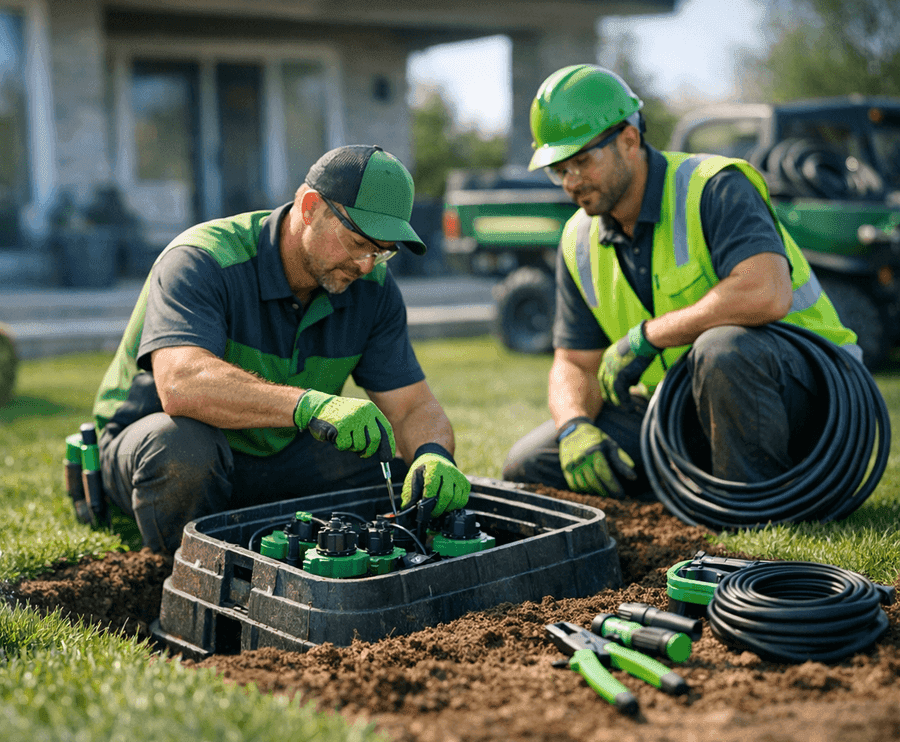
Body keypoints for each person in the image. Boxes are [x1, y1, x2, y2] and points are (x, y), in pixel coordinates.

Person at [502, 64, 858, 499]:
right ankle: (691, 493)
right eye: (559, 169)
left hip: (810, 396)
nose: (571, 182)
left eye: (581, 161)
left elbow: (766, 292)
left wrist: (649, 335)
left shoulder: (714, 186)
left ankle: (748, 510)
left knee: (721, 348)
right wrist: (574, 426)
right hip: (688, 407)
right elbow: (575, 362)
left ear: (629, 141)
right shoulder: (578, 239)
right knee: (531, 464)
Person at [92, 145, 470, 553]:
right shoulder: (202, 259)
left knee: (389, 471)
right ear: (309, 207)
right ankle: (177, 578)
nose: (365, 265)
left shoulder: (372, 290)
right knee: (182, 449)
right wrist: (309, 406)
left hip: (274, 451)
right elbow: (181, 384)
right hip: (152, 440)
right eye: (358, 241)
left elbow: (413, 407)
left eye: (381, 252)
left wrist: (433, 455)